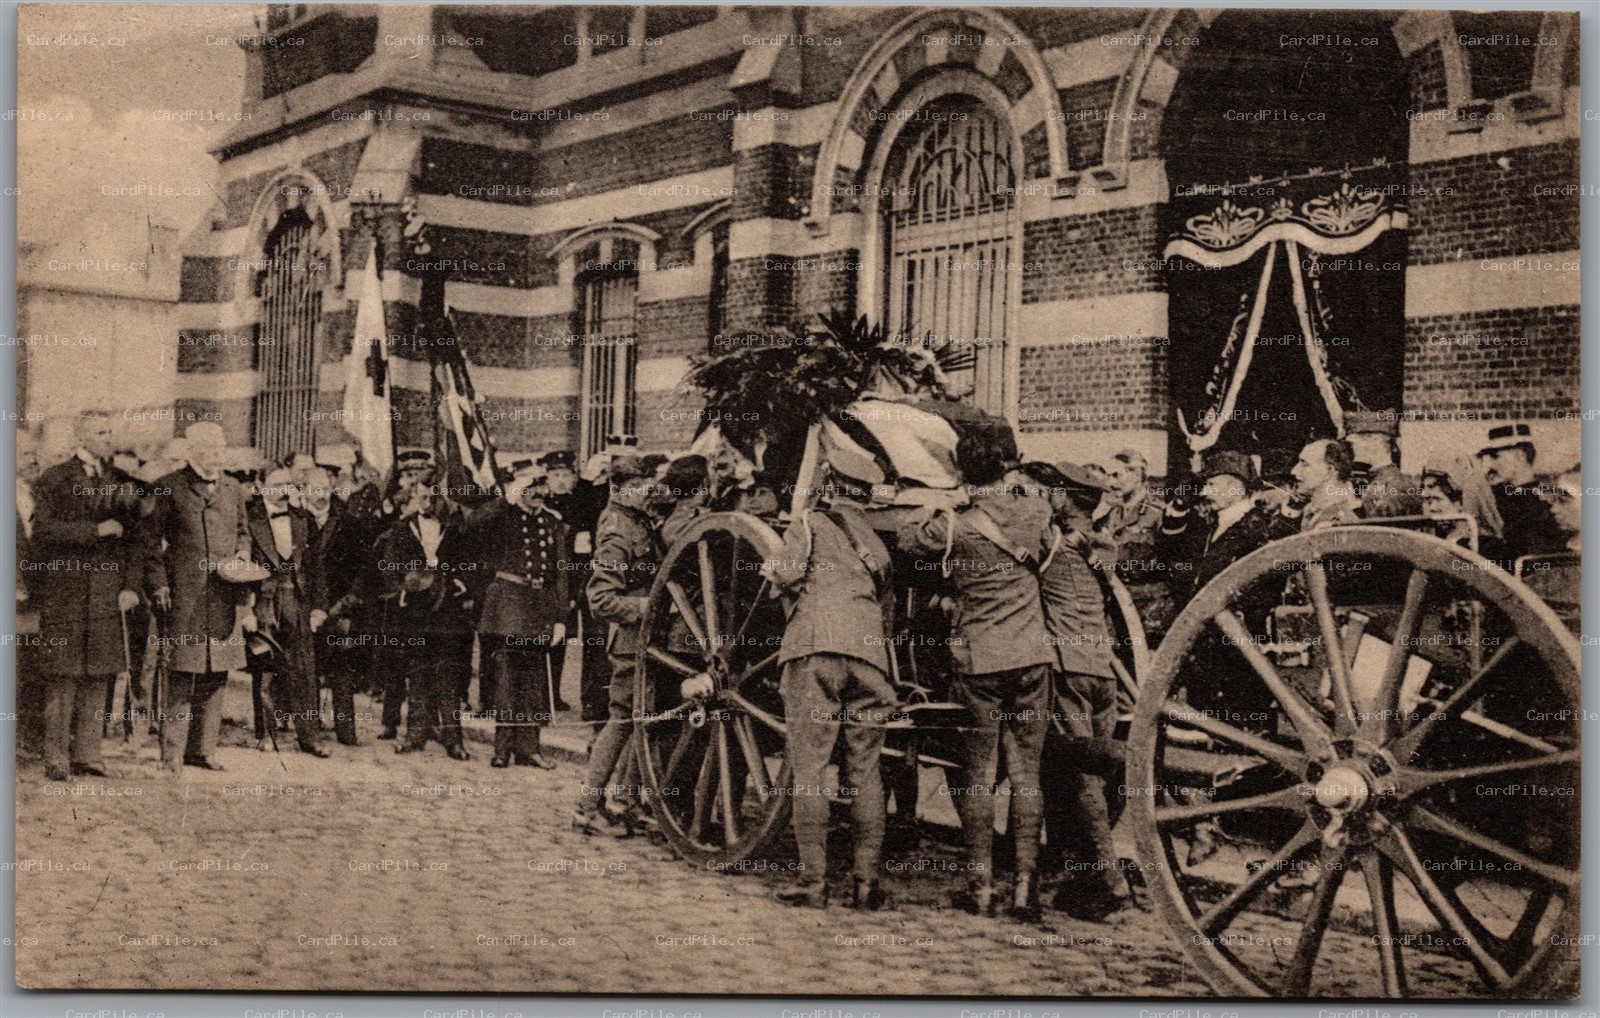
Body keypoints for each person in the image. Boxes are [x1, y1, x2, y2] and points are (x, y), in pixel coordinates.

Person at [897, 426, 1054, 918]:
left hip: (979, 661)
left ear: (963, 471)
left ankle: (981, 886)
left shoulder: (955, 524)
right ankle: (1026, 890)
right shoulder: (1036, 509)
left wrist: (938, 506)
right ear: (1008, 464)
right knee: (1028, 775)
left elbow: (907, 541)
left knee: (978, 776)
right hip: (1033, 657)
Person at [762, 460, 898, 910]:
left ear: (830, 486)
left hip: (817, 652)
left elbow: (782, 574)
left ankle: (813, 882)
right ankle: (865, 884)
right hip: (870, 661)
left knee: (811, 770)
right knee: (865, 772)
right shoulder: (878, 544)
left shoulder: (811, 522)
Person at [1018, 460, 1130, 922]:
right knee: (1093, 774)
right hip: (1103, 670)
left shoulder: (1053, 543)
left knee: (1082, 775)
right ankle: (1081, 876)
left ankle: (1110, 879)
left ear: (1062, 499)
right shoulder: (1106, 546)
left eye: (1051, 494)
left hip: (1067, 668)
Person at [27, 410, 146, 780]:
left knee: (99, 675)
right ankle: (57, 757)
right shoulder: (55, 478)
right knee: (62, 675)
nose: (107, 437)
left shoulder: (122, 481)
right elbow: (43, 531)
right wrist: (94, 530)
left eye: (111, 430)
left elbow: (137, 541)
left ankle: (89, 754)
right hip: (66, 592)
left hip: (108, 595)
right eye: (99, 431)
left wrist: (130, 586)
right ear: (81, 436)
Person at [145, 422, 254, 773]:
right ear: (193, 452)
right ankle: (172, 753)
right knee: (180, 671)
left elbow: (244, 534)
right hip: (185, 596)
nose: (218, 456)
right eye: (211, 450)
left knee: (216, 672)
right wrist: (160, 585)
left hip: (224, 594)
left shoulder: (234, 489)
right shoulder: (168, 488)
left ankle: (202, 750)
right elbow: (149, 544)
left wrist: (240, 555)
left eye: (222, 449)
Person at [574, 455, 661, 837]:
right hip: (629, 641)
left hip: (646, 641)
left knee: (637, 721)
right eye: (642, 486)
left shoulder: (638, 520)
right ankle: (586, 806)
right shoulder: (617, 530)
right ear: (621, 488)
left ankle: (618, 802)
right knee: (622, 719)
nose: (649, 493)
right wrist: (647, 606)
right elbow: (601, 600)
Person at [468, 460, 569, 769]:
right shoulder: (503, 516)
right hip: (508, 605)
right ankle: (502, 748)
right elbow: (471, 525)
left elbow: (561, 572)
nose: (538, 492)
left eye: (541, 485)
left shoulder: (553, 523)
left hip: (539, 606)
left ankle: (530, 748)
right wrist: (504, 499)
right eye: (531, 486)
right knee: (508, 681)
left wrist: (561, 617)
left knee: (534, 681)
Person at [364, 480, 474, 759]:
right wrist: (402, 588)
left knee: (448, 673)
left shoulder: (455, 528)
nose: (427, 502)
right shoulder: (402, 529)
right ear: (413, 497)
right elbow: (388, 566)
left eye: (432, 497)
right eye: (422, 496)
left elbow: (468, 561)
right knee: (417, 672)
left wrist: (460, 581)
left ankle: (453, 739)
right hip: (413, 611)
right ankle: (415, 734)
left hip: (447, 610)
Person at [245, 467, 330, 757]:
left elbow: (317, 570)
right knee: (265, 668)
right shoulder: (247, 516)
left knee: (304, 671)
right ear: (261, 485)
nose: (283, 490)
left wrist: (319, 608)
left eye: (288, 485)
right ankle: (266, 733)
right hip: (263, 600)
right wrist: (247, 607)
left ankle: (310, 737)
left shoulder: (302, 520)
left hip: (297, 599)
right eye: (277, 484)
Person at [301, 465, 364, 746]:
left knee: (341, 671)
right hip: (304, 608)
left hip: (338, 609)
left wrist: (343, 606)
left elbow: (361, 572)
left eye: (326, 489)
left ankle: (346, 730)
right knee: (307, 669)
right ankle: (309, 729)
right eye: (316, 490)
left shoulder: (349, 524)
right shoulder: (298, 523)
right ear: (305, 492)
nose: (321, 495)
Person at [541, 449, 603, 717]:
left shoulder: (587, 500)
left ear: (575, 476)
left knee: (593, 639)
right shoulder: (542, 503)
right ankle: (549, 696)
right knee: (556, 637)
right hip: (557, 582)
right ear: (547, 477)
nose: (561, 480)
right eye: (555, 475)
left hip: (586, 577)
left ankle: (591, 700)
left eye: (566, 474)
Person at [1090, 448, 1172, 639]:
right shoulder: (1109, 513)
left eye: (1116, 475)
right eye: (1109, 476)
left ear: (1136, 475)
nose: (1110, 482)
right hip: (1116, 604)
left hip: (1149, 608)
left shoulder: (1159, 513)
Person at [1475, 423, 1566, 564]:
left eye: (1495, 456)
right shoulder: (1503, 494)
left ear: (1519, 456)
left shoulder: (1541, 502)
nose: (1491, 465)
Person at [1421, 455, 1507, 563]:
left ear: (1460, 503)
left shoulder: (1487, 546)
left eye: (1438, 499)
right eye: (1428, 500)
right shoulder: (1437, 538)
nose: (1432, 508)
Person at [1345, 409, 1422, 518]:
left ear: (1375, 441)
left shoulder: (1394, 486)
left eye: (1354, 444)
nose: (1353, 449)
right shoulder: (1382, 481)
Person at [1286, 439, 1362, 532]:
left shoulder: (1338, 524)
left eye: (1305, 464)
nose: (1294, 471)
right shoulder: (1312, 513)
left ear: (1329, 471)